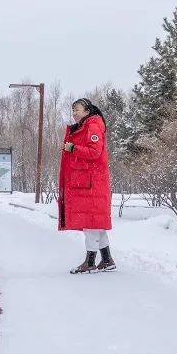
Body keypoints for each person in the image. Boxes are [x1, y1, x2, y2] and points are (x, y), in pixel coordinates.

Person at [58, 98, 116, 273]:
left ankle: (90, 262)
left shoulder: (92, 126)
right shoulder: (86, 126)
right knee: (96, 225)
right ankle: (107, 260)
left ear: (87, 111)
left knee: (90, 223)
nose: (74, 113)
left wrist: (73, 148)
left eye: (78, 109)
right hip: (88, 182)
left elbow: (94, 152)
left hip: (91, 184)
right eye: (73, 110)